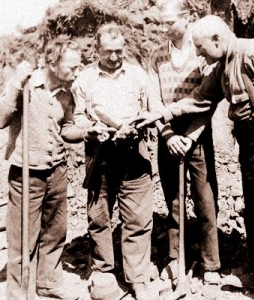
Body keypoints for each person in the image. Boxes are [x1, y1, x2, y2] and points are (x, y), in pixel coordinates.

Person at [133, 15, 254, 300]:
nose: (197, 53)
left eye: (200, 47)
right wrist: (161, 114)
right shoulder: (221, 67)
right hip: (251, 143)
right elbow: (199, 98)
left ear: (217, 40)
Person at [70, 23, 157, 300]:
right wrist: (92, 129)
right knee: (99, 215)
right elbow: (77, 118)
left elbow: (150, 110)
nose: (115, 57)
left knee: (138, 216)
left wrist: (140, 123)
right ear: (97, 49)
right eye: (108, 52)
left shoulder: (138, 75)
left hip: (134, 152)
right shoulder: (84, 80)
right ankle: (104, 270)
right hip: (100, 156)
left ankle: (138, 277)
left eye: (119, 51)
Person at [0, 40, 88, 299]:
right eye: (72, 67)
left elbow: (67, 128)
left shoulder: (67, 92)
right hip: (27, 173)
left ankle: (48, 284)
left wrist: (87, 132)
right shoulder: (26, 84)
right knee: (23, 237)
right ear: (52, 63)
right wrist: (15, 82)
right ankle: (19, 292)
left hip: (57, 170)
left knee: (55, 232)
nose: (77, 71)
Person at [148, 0, 220, 284]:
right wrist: (167, 135)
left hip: (197, 134)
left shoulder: (202, 53)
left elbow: (209, 102)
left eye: (169, 22)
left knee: (205, 200)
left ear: (188, 17)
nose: (164, 28)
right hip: (167, 136)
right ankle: (177, 259)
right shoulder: (156, 56)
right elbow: (154, 100)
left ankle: (211, 265)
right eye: (160, 23)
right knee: (174, 201)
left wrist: (188, 138)